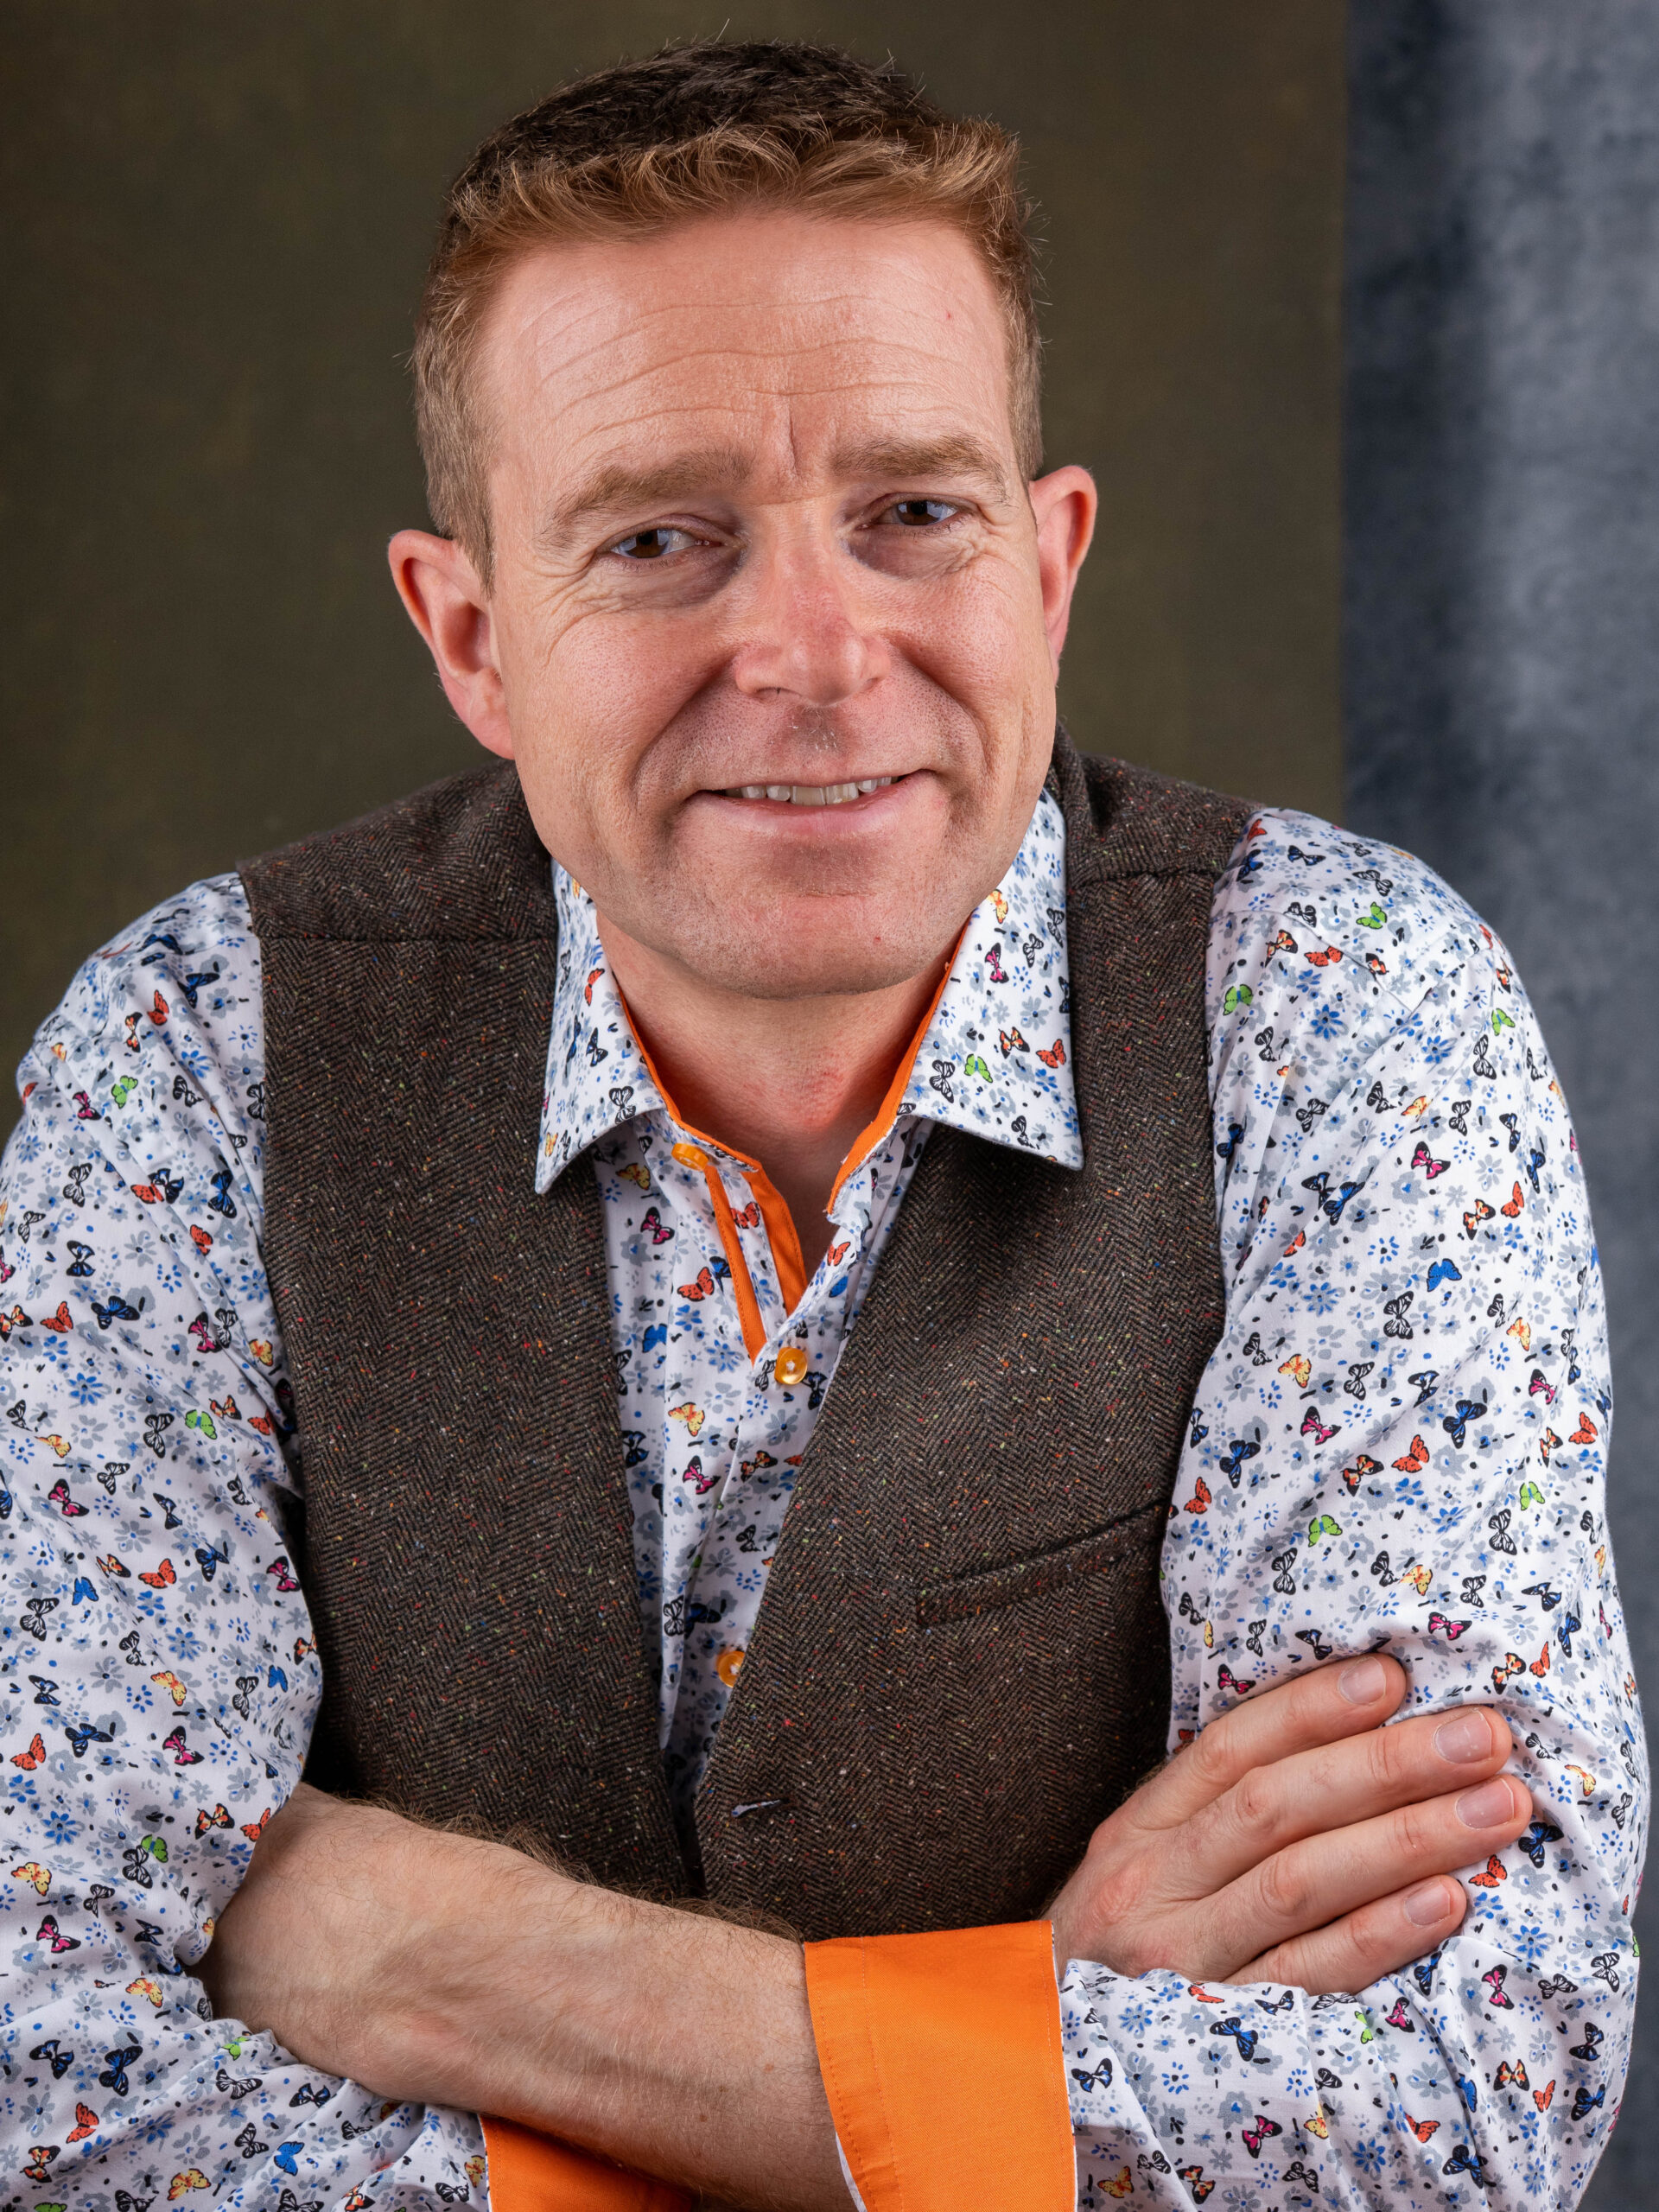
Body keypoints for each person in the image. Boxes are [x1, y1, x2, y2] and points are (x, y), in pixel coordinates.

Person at [0, 39, 1641, 2212]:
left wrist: (431, 1960)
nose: (813, 649)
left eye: (914, 514)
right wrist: (995, 2052)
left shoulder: (1340, 1006)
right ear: (473, 635)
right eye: (659, 539)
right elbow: (48, 2073)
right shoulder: (195, 1054)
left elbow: (1456, 2096)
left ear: (1046, 565)